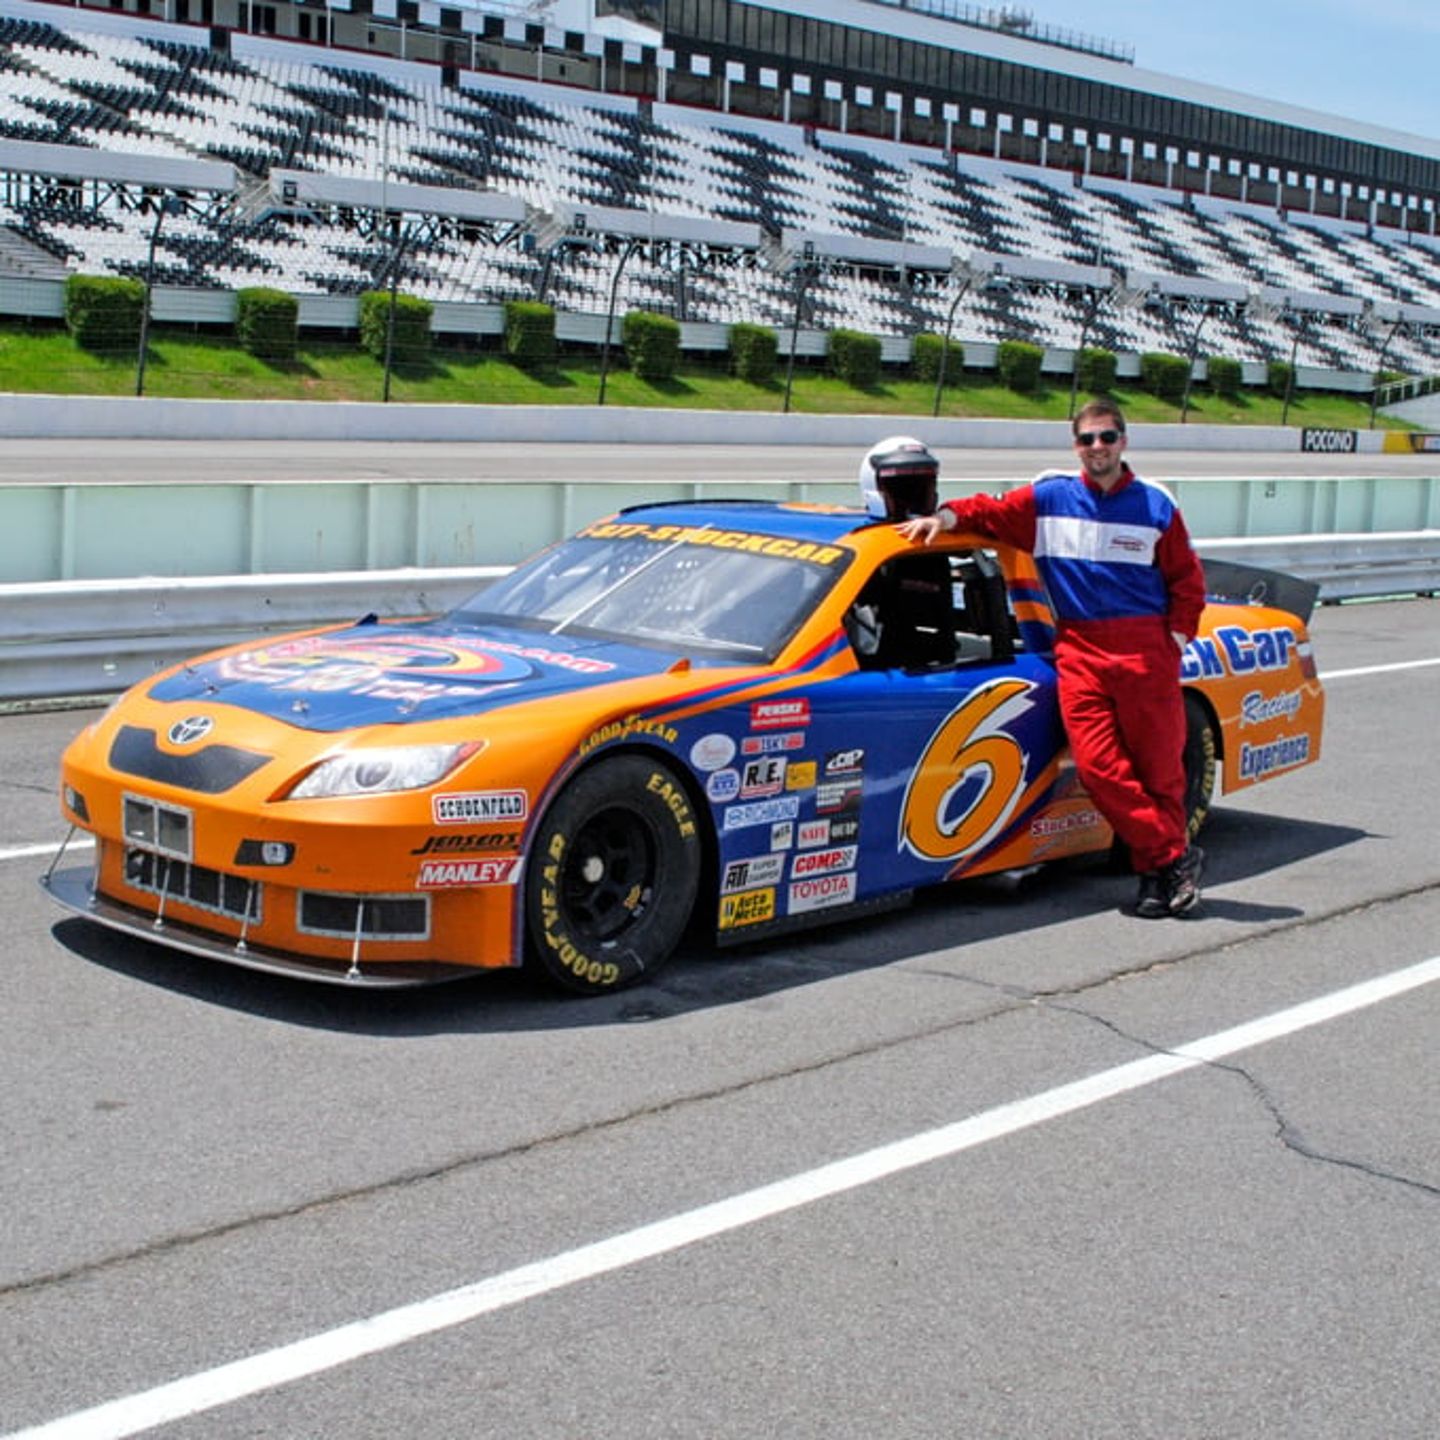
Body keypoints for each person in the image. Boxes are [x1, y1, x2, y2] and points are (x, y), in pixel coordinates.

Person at [897, 400, 1208, 918]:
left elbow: (1187, 583)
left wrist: (1172, 642)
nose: (1097, 448)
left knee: (1160, 774)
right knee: (1098, 769)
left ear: (1123, 442)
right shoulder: (1048, 498)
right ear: (1075, 446)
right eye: (1087, 439)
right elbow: (989, 510)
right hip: (1081, 649)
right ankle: (1175, 857)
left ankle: (1157, 880)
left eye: (1106, 437)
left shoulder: (1156, 505)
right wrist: (944, 517)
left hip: (1145, 650)